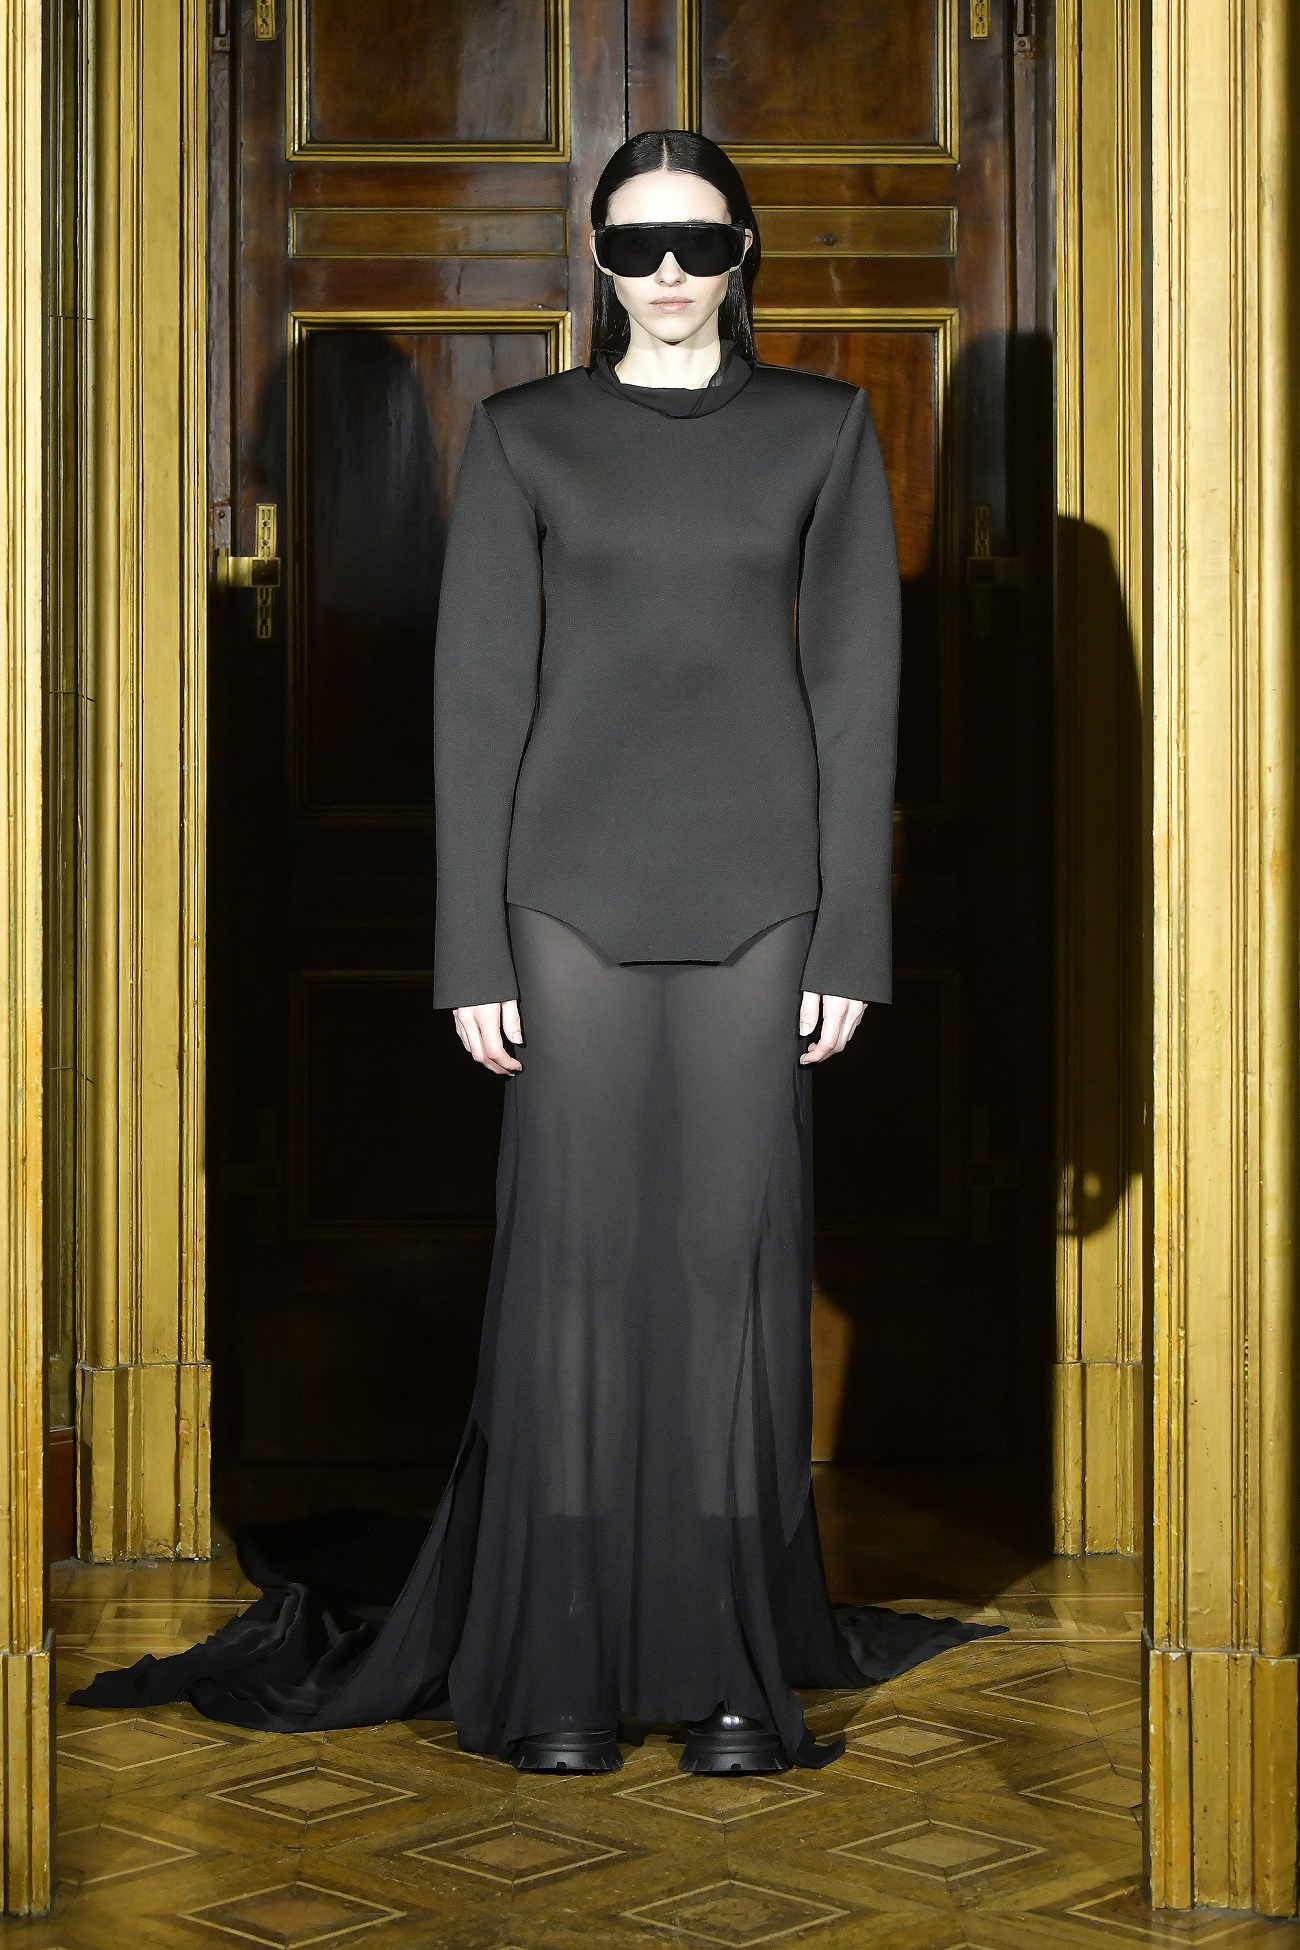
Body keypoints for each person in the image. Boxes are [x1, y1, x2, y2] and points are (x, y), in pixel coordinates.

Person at [70, 128, 1000, 1775]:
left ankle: (726, 1673)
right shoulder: (523, 435)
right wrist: (471, 957)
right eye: (636, 245)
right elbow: (479, 699)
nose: (668, 274)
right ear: (596, 256)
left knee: (727, 1275)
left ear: (744, 252)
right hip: (560, 897)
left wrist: (851, 942)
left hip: (764, 901)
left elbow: (861, 695)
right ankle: (560, 1666)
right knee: (574, 1274)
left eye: (697, 244)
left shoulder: (824, 427)